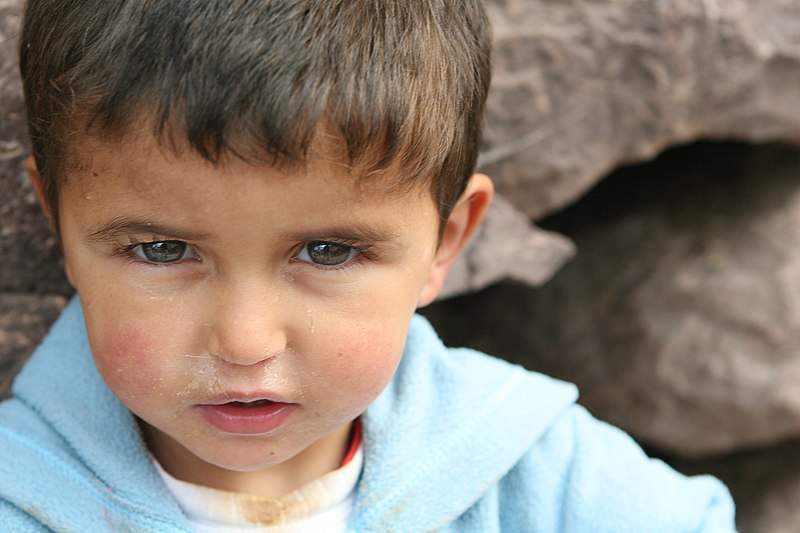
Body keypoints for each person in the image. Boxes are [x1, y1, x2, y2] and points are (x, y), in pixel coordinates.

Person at [0, 0, 736, 531]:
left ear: (444, 244)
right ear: (57, 221)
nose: (247, 341)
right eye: (162, 249)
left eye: (328, 250)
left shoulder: (538, 479)